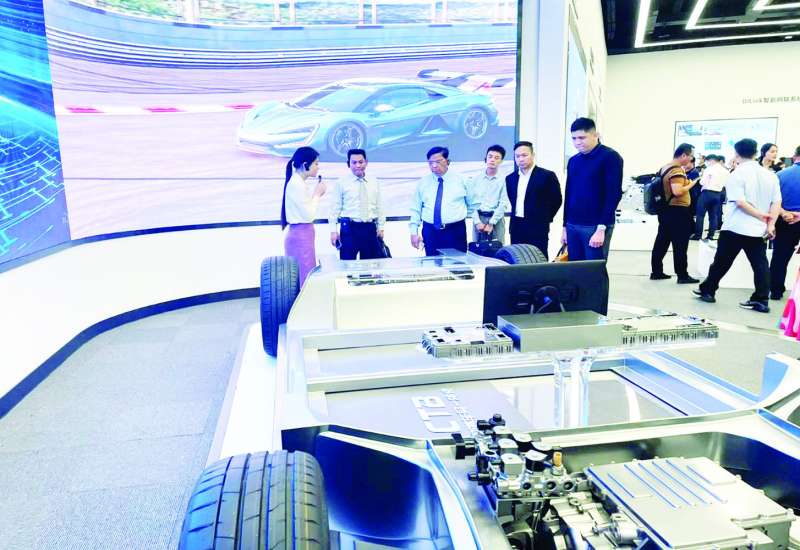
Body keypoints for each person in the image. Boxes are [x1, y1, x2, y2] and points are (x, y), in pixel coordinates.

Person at [694, 138, 781, 313]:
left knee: (721, 262)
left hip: (735, 226)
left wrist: (760, 215)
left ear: (736, 153)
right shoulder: (770, 175)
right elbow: (776, 202)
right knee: (760, 265)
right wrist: (770, 223)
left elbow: (740, 202)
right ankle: (761, 300)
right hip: (757, 230)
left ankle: (708, 291)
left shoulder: (737, 174)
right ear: (756, 153)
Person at [562, 117, 623, 260]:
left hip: (595, 225)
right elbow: (569, 193)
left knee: (594, 269)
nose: (577, 142)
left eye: (582, 137)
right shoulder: (573, 161)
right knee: (574, 268)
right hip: (573, 224)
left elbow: (613, 194)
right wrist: (564, 226)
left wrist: (602, 228)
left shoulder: (610, 157)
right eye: (574, 138)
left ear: (596, 135)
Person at [409, 146, 477, 256]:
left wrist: (457, 215)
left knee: (458, 264)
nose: (434, 166)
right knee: (432, 264)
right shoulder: (423, 182)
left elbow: (473, 205)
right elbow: (416, 208)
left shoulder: (462, 180)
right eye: (430, 163)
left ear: (448, 161)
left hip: (455, 230)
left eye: (438, 161)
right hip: (430, 231)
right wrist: (413, 232)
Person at [650, 143, 699, 284]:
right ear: (683, 155)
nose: (691, 159)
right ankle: (682, 275)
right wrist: (691, 184)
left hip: (666, 210)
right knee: (680, 244)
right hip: (677, 212)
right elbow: (677, 191)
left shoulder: (665, 167)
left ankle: (657, 272)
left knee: (662, 241)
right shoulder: (677, 170)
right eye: (690, 156)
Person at [505, 141, 562, 258]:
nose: (521, 159)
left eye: (524, 155)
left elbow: (557, 200)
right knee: (518, 258)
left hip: (538, 225)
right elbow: (513, 200)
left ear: (533, 155)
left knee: (539, 257)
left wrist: (544, 217)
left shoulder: (547, 176)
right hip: (517, 226)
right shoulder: (510, 178)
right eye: (517, 156)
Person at [328, 148, 385, 260]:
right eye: (354, 162)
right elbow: (334, 209)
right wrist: (333, 231)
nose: (358, 165)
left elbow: (379, 206)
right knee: (347, 265)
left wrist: (381, 227)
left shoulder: (374, 182)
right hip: (349, 229)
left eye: (361, 162)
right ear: (348, 164)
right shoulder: (341, 183)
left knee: (370, 265)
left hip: (370, 228)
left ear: (366, 162)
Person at [281, 146, 326, 284]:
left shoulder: (297, 182)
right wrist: (317, 194)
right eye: (316, 163)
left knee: (303, 275)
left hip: (302, 234)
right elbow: (309, 215)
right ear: (306, 164)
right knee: (304, 278)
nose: (318, 167)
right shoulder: (297, 184)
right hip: (301, 236)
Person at [769, 145, 800, 300]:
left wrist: (784, 213)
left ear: (794, 157)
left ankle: (776, 291)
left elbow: (772, 201)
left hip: (785, 221)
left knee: (780, 258)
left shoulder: (779, 175)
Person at [471, 144, 510, 243]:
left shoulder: (504, 180)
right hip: (479, 219)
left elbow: (503, 204)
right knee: (477, 250)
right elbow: (471, 203)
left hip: (496, 219)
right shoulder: (475, 179)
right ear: (486, 158)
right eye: (490, 156)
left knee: (497, 249)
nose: (492, 160)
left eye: (496, 158)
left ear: (501, 161)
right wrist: (477, 222)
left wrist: (492, 223)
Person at [692, 154, 729, 241]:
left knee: (700, 215)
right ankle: (710, 236)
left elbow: (702, 182)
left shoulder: (709, 169)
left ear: (711, 160)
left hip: (706, 193)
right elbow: (725, 184)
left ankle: (698, 235)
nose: (707, 163)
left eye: (707, 161)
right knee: (713, 216)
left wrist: (701, 177)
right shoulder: (725, 171)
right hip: (718, 194)